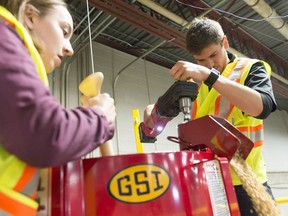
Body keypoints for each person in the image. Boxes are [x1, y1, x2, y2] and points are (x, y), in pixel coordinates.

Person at [144, 17, 277, 215]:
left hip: (248, 184)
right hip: (211, 184)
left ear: (225, 42)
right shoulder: (196, 85)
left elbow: (262, 107)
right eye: (201, 61)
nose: (210, 64)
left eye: (214, 55)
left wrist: (209, 75)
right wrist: (154, 111)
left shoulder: (249, 69)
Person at [0, 0, 116, 215]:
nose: (70, 49)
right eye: (64, 31)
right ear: (30, 16)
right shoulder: (3, 38)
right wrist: (99, 117)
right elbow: (43, 135)